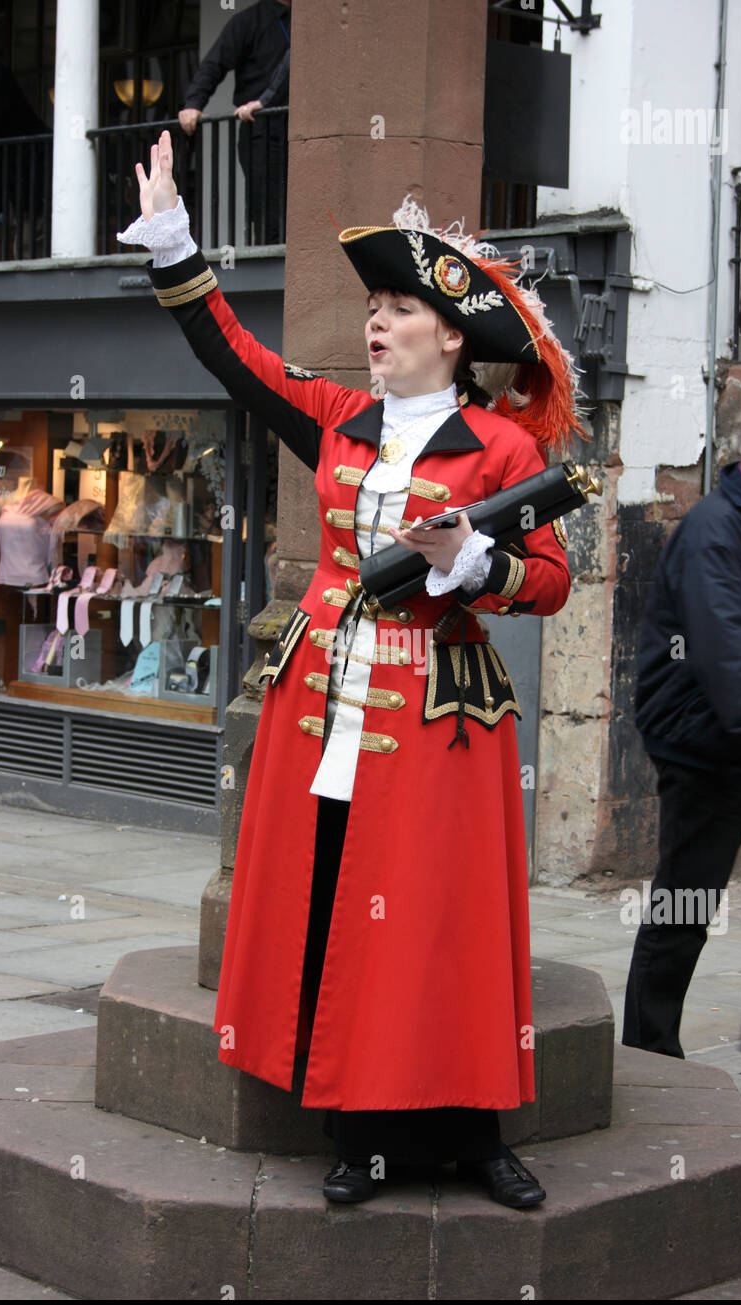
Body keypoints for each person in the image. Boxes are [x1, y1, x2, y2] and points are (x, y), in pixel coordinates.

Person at [120, 129, 585, 1208]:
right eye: (373, 311)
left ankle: (475, 1137)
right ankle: (357, 1133)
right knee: (337, 898)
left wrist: (470, 560)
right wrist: (176, 244)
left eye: (399, 312)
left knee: (444, 922)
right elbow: (236, 357)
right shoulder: (337, 419)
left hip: (440, 712)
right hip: (321, 699)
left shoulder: (502, 451)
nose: (376, 324)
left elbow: (551, 582)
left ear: (449, 341)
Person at [625, 382, 741, 1123]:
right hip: (711, 743)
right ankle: (646, 1062)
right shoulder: (714, 528)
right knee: (687, 904)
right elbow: (727, 652)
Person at [177, 1, 290, 244]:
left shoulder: (308, 19)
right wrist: (194, 104)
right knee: (268, 212)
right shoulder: (250, 21)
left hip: (300, 130)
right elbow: (215, 63)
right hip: (261, 131)